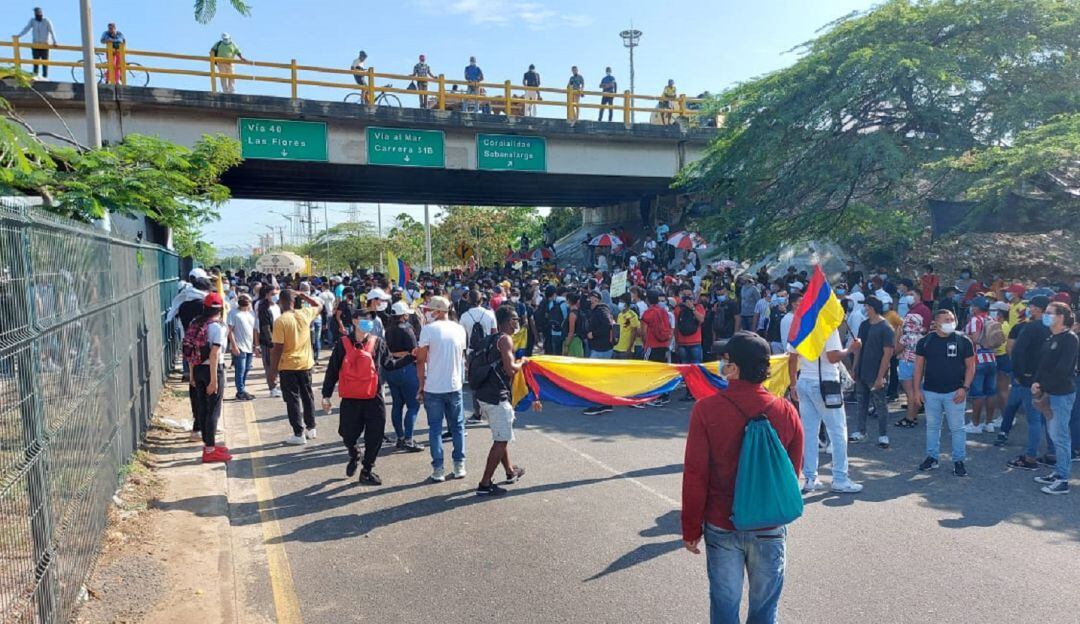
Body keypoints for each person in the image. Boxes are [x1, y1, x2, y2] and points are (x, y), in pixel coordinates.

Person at [682, 332, 804, 624]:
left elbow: (696, 474)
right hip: (769, 524)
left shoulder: (706, 409)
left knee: (724, 604)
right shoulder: (785, 410)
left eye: (724, 361)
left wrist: (690, 527)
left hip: (722, 521)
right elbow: (792, 469)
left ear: (733, 368)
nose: (721, 366)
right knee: (765, 608)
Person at [321, 313, 415, 486]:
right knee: (347, 434)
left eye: (371, 320)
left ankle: (367, 470)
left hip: (374, 397)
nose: (368, 323)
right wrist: (326, 395)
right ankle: (355, 453)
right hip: (351, 397)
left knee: (375, 435)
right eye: (364, 319)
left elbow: (389, 364)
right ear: (355, 321)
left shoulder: (379, 342)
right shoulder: (342, 344)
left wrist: (411, 357)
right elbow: (332, 371)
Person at [787, 328, 863, 493]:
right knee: (838, 431)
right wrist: (851, 348)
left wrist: (793, 383)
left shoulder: (801, 325)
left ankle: (810, 478)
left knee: (809, 432)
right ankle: (840, 479)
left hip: (804, 381)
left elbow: (792, 358)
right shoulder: (827, 327)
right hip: (826, 383)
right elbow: (833, 356)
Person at [913, 309, 976, 477]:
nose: (951, 321)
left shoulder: (963, 341)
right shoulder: (925, 342)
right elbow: (918, 367)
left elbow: (971, 366)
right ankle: (932, 457)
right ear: (936, 322)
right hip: (931, 392)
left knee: (957, 428)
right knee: (932, 427)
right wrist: (916, 390)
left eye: (952, 319)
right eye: (946, 319)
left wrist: (965, 388)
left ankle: (959, 461)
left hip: (955, 392)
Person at [474, 305, 528, 496]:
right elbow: (511, 369)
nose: (517, 323)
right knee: (501, 439)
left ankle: (510, 471)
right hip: (497, 397)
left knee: (501, 436)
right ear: (506, 321)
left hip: (483, 395)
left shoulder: (490, 339)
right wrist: (523, 362)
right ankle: (485, 483)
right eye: (515, 320)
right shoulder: (505, 340)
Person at [416, 296, 468, 482]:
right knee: (457, 427)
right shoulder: (459, 329)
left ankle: (438, 469)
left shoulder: (428, 330)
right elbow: (461, 355)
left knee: (435, 428)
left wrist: (421, 385)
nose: (427, 312)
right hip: (454, 385)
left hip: (433, 387)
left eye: (429, 310)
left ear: (437, 311)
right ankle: (459, 464)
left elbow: (420, 361)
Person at [1030, 302, 1078, 495]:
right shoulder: (1052, 337)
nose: (1046, 315)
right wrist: (1036, 382)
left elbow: (1063, 369)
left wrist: (1042, 386)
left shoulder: (1069, 339)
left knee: (1061, 437)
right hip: (1049, 392)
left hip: (1061, 394)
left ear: (1061, 317)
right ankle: (1058, 472)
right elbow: (1043, 365)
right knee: (1054, 434)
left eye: (1050, 313)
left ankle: (1063, 479)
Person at [269, 289, 324, 446]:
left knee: (292, 399)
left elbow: (277, 348)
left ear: (280, 302)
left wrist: (272, 372)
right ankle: (311, 427)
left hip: (288, 366)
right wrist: (303, 295)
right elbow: (319, 305)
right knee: (308, 396)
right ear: (295, 301)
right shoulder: (305, 313)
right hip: (305, 364)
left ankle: (298, 433)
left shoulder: (281, 321)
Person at [187, 293, 231, 463]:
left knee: (203, 408)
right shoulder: (218, 327)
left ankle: (208, 445)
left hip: (197, 369)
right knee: (213, 410)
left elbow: (190, 351)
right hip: (212, 370)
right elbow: (214, 355)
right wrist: (213, 381)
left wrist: (191, 375)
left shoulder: (195, 323)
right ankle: (210, 449)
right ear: (220, 309)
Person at [851, 296, 894, 448]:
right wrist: (854, 368)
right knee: (861, 403)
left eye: (867, 306)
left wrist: (880, 377)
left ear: (872, 307)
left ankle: (883, 435)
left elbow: (887, 354)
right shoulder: (864, 325)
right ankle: (860, 431)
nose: (865, 309)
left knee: (880, 405)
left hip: (876, 373)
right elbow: (858, 348)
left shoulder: (886, 328)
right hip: (862, 371)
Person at [384, 301, 423, 452]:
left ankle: (400, 437)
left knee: (397, 404)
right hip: (406, 369)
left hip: (391, 369)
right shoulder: (407, 329)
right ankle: (408, 439)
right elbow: (414, 352)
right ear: (404, 315)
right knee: (413, 405)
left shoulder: (388, 329)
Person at [963, 296, 998, 433]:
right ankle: (989, 423)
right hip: (991, 358)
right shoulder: (991, 319)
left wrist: (964, 335)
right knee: (991, 393)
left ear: (976, 308)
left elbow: (976, 339)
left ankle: (975, 424)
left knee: (977, 394)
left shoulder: (975, 320)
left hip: (978, 359)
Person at [583, 291, 616, 415]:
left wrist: (594, 334)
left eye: (590, 299)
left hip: (601, 348)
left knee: (595, 377)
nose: (588, 301)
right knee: (601, 376)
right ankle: (605, 403)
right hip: (601, 347)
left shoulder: (601, 310)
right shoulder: (600, 310)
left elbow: (607, 325)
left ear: (596, 300)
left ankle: (598, 404)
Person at [640, 290, 672, 405]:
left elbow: (643, 332)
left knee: (649, 371)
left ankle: (652, 396)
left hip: (652, 345)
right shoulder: (663, 311)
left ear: (647, 300)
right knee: (662, 371)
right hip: (664, 344)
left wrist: (645, 342)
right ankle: (664, 395)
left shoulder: (648, 313)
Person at [894, 312, 925, 427]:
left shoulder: (906, 336)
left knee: (910, 393)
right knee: (917, 391)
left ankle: (909, 418)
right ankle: (914, 416)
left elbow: (897, 350)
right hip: (919, 365)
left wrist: (897, 335)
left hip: (906, 363)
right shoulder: (922, 337)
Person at [227, 293, 256, 401]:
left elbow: (253, 330)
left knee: (247, 369)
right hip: (239, 346)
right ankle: (240, 391)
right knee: (240, 369)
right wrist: (234, 346)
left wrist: (255, 345)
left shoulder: (251, 314)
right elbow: (229, 331)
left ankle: (242, 389)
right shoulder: (233, 313)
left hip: (249, 345)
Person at [14, 7, 57, 79]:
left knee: (45, 63)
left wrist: (55, 41)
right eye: (35, 13)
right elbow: (26, 29)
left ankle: (45, 77)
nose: (37, 14)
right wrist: (19, 36)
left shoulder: (46, 21)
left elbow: (52, 31)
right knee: (35, 62)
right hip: (35, 44)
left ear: (41, 13)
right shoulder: (32, 21)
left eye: (38, 12)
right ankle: (35, 76)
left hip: (44, 45)